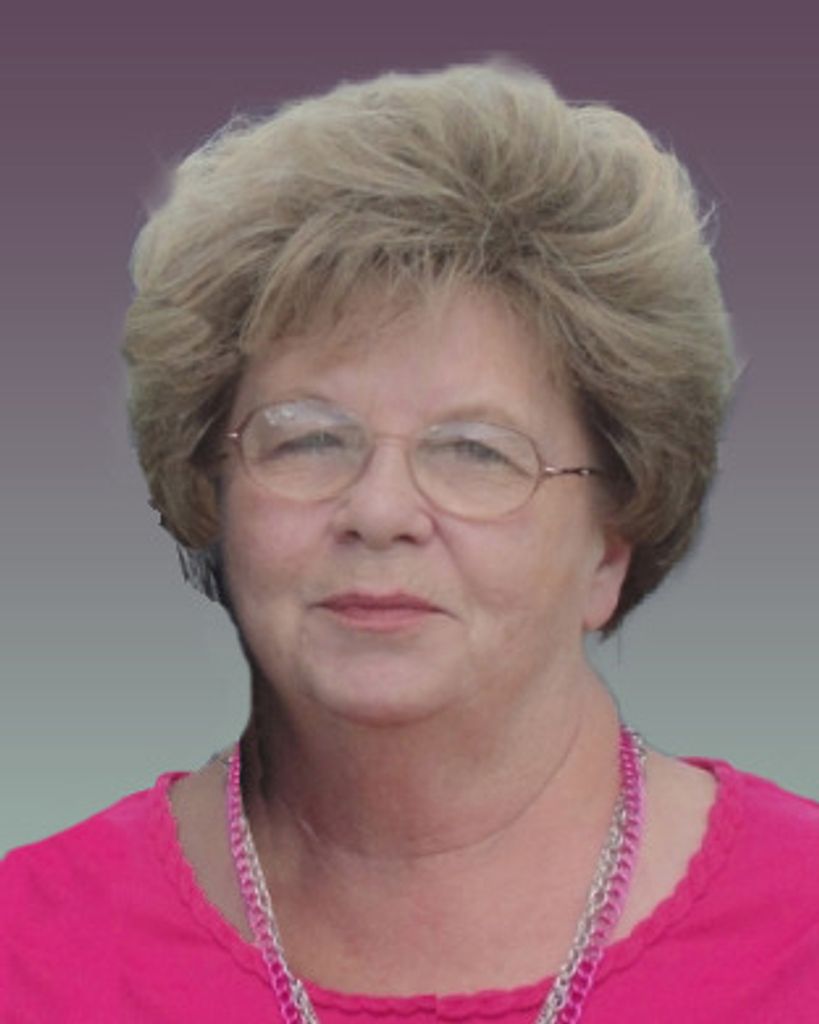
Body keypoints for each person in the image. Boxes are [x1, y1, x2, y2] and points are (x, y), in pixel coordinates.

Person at [2, 60, 817, 1023]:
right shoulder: (29, 946)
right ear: (209, 492)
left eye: (475, 451)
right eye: (307, 439)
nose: (379, 509)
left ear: (610, 545)